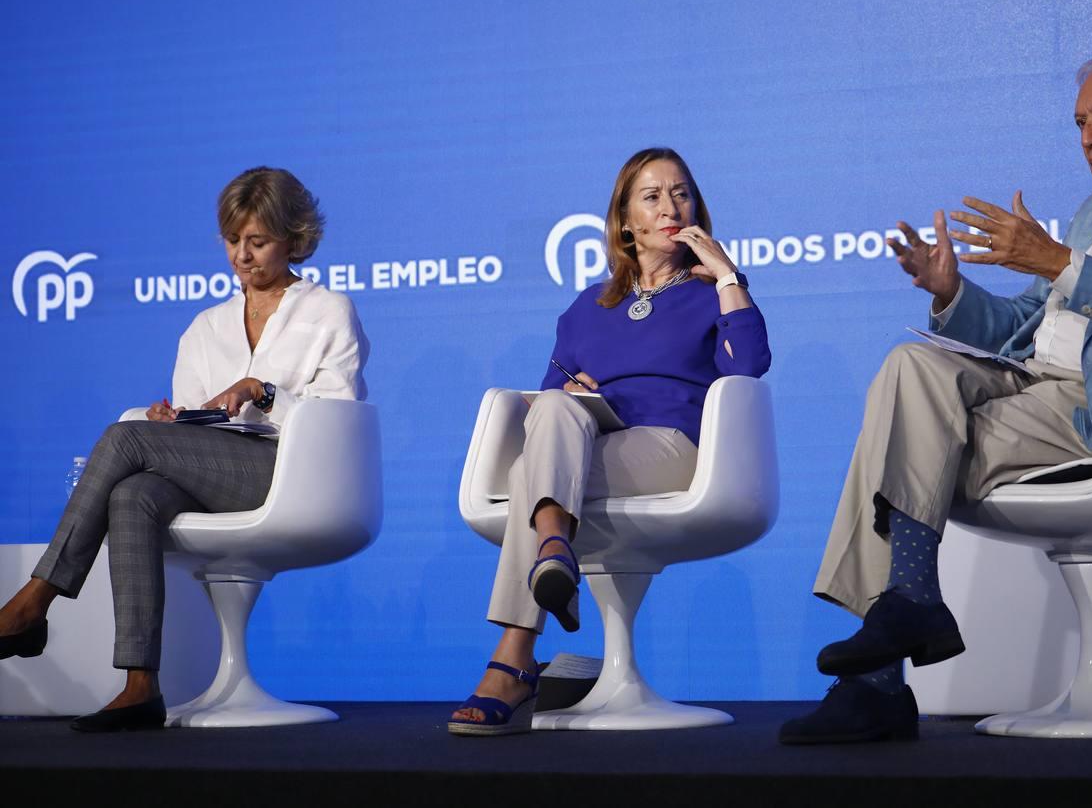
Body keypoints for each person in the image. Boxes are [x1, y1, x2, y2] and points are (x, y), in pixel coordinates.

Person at [780, 50, 1092, 744]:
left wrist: (1059, 261)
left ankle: (879, 682)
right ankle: (909, 606)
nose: (1088, 137)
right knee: (910, 366)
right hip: (1035, 384)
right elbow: (1018, 329)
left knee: (907, 446)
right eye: (1079, 123)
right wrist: (950, 292)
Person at [0, 167, 368, 732]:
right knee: (135, 493)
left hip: (289, 474)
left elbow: (337, 415)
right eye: (232, 241)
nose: (242, 256)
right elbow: (199, 417)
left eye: (258, 242)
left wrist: (265, 393)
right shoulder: (206, 326)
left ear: (294, 240)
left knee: (124, 440)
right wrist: (170, 420)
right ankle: (141, 684)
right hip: (213, 472)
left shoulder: (328, 312)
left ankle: (34, 601)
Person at [448, 147, 771, 736]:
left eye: (681, 193)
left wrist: (726, 274)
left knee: (530, 479)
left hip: (673, 449)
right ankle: (551, 557)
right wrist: (574, 389)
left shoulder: (709, 293)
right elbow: (543, 408)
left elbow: (747, 365)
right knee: (554, 407)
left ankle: (515, 653)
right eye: (652, 196)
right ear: (626, 222)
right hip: (594, 443)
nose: (671, 206)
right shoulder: (587, 307)